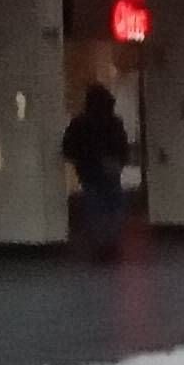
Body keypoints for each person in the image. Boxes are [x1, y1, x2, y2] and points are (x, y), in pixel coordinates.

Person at [59, 83, 131, 259]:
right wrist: (120, 162)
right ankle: (111, 242)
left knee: (94, 206)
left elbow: (68, 147)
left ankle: (98, 244)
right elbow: (122, 146)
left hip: (88, 169)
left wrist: (79, 160)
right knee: (114, 205)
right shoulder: (114, 121)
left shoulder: (79, 122)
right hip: (110, 167)